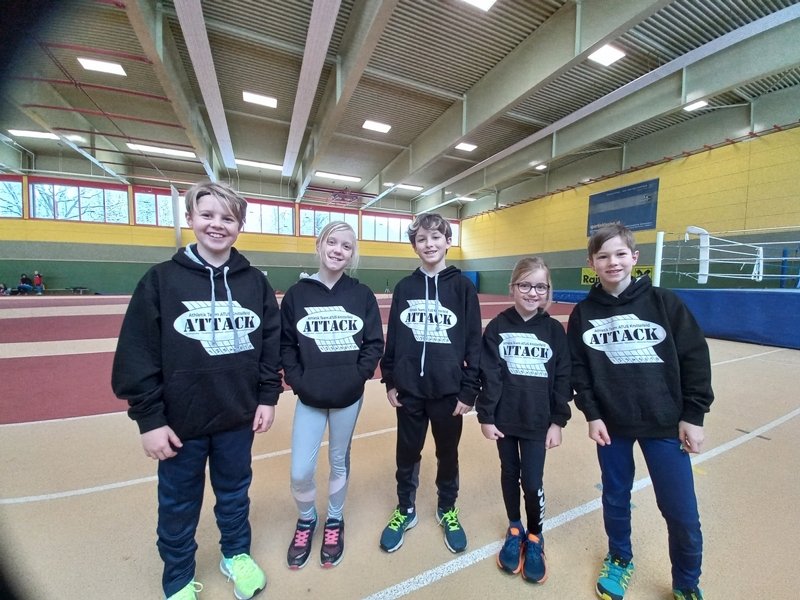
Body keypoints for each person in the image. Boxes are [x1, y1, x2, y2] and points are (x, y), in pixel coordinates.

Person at [111, 181, 283, 600]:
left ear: (240, 225)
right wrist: (149, 419)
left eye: (228, 218)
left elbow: (270, 344)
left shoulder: (254, 284)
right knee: (178, 502)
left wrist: (267, 396)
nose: (217, 225)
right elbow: (137, 352)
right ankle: (178, 578)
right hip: (179, 423)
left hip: (237, 416)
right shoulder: (160, 280)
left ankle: (236, 555)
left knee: (235, 494)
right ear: (190, 218)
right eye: (207, 215)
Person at [567, 222, 714, 600]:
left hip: (665, 423)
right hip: (611, 424)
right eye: (603, 256)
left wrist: (693, 415)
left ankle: (686, 583)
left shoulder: (665, 303)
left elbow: (695, 358)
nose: (612, 262)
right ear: (591, 263)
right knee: (616, 497)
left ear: (634, 257)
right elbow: (579, 370)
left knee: (681, 512)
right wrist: (592, 414)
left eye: (620, 254)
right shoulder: (583, 313)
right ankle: (619, 558)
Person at [280, 221, 384, 570]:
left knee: (339, 460)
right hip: (309, 396)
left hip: (347, 397)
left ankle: (335, 519)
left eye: (346, 246)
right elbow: (286, 345)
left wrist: (357, 378)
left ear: (352, 255)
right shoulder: (297, 295)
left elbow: (374, 344)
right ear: (319, 245)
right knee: (300, 470)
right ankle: (307, 519)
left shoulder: (361, 295)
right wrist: (298, 381)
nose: (338, 250)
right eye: (332, 242)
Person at [379, 213, 482, 554]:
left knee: (447, 453)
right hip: (409, 390)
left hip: (449, 392)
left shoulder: (463, 288)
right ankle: (405, 508)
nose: (429, 244)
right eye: (421, 239)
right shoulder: (405, 287)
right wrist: (390, 380)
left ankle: (447, 507)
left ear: (448, 242)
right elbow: (394, 337)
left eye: (436, 237)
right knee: (407, 452)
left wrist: (469, 390)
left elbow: (474, 342)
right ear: (414, 246)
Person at [477, 257, 571, 584]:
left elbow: (563, 378)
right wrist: (486, 416)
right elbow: (489, 374)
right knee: (509, 473)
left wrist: (558, 421)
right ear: (513, 288)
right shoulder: (497, 327)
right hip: (504, 420)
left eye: (540, 287)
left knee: (531, 481)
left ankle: (535, 535)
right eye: (526, 285)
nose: (533, 293)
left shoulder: (554, 331)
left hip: (537, 421)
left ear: (548, 291)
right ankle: (515, 528)